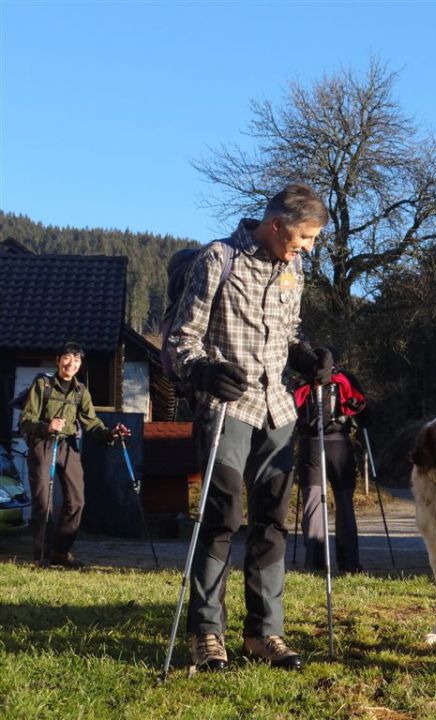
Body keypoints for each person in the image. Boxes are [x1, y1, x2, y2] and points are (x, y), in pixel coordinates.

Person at [166, 183, 333, 673]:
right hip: (227, 411)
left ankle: (265, 633)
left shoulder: (293, 269)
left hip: (278, 410)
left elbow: (289, 332)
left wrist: (306, 356)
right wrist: (199, 371)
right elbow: (180, 339)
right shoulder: (219, 259)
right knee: (221, 518)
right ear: (278, 224)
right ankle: (207, 633)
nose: (309, 247)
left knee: (273, 522)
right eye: (305, 236)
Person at [18, 341, 130, 568]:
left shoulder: (81, 392)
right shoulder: (43, 384)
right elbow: (26, 420)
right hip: (43, 443)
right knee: (43, 501)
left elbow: (92, 424)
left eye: (77, 360)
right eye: (68, 358)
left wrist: (111, 433)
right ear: (58, 360)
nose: (72, 363)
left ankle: (61, 551)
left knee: (77, 501)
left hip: (69, 445)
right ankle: (41, 556)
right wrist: (47, 426)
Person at [294, 364, 368, 574]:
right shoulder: (345, 377)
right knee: (344, 503)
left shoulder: (302, 378)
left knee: (313, 502)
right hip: (339, 445)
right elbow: (364, 413)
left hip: (310, 446)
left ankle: (314, 562)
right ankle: (349, 563)